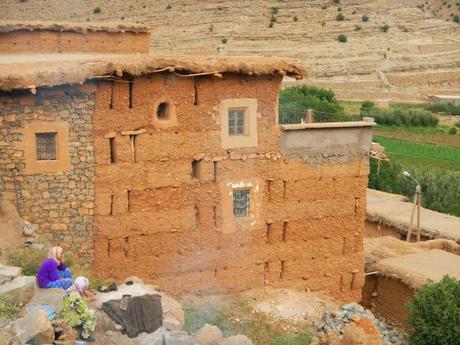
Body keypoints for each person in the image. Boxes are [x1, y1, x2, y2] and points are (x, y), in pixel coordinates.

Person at [61, 276, 97, 342]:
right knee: (92, 313)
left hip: (65, 316)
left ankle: (80, 323)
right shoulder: (76, 295)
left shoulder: (69, 290)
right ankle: (84, 335)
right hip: (69, 320)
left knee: (83, 312)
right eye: (85, 287)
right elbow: (83, 309)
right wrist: (88, 299)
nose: (85, 289)